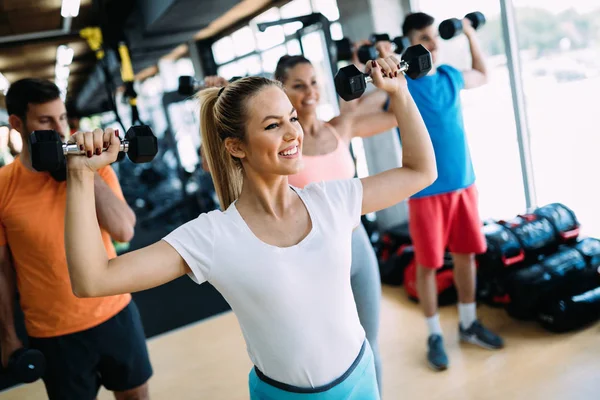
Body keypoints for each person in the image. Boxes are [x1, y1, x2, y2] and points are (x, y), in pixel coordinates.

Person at [63, 56, 436, 399]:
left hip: (361, 381)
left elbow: (421, 171)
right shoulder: (213, 237)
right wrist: (80, 175)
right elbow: (92, 280)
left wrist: (400, 91)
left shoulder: (331, 202)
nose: (293, 133)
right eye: (273, 125)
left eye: (291, 118)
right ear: (236, 147)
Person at [0, 78, 153, 399]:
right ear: (17, 123)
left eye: (62, 117)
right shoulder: (3, 187)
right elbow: (2, 270)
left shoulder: (93, 167)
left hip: (114, 313)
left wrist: (81, 171)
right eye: (45, 120)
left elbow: (124, 230)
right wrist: (7, 336)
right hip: (53, 332)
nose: (60, 128)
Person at [379, 12, 504, 371]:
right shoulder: (401, 84)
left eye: (433, 36)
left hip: (463, 184)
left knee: (466, 255)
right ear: (408, 43)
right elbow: (372, 105)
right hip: (424, 192)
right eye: (422, 37)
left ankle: (468, 324)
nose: (431, 43)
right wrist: (384, 62)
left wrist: (467, 34)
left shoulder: (449, 76)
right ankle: (434, 334)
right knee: (429, 264)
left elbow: (483, 74)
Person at [270, 50, 401, 392]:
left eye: (314, 82)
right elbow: (217, 163)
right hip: (311, 260)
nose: (310, 91)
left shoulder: (341, 127)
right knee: (324, 361)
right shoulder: (279, 146)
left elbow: (396, 115)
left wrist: (391, 77)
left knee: (370, 346)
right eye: (298, 85)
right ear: (280, 90)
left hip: (357, 246)